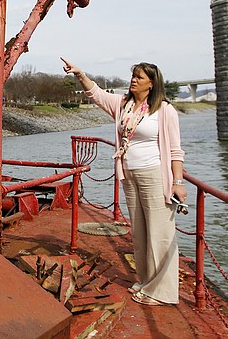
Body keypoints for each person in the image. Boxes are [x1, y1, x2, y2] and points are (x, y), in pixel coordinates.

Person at [61, 58, 186, 306]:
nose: (134, 80)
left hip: (154, 175)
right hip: (130, 174)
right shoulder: (123, 104)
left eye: (139, 77)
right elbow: (95, 93)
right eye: (133, 76)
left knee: (160, 233)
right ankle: (147, 281)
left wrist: (178, 181)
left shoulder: (164, 110)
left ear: (151, 83)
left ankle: (163, 293)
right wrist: (79, 73)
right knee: (140, 232)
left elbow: (175, 150)